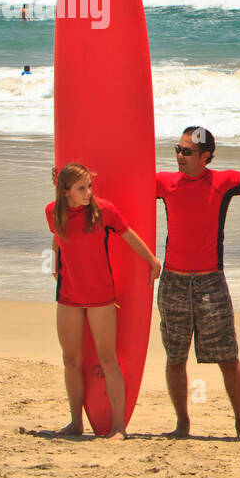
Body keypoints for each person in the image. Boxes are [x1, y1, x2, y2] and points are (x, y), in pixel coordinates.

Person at [155, 121, 240, 442]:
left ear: (206, 156)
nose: (179, 156)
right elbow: (120, 183)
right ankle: (182, 423)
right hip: (173, 282)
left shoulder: (223, 182)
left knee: (227, 356)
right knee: (175, 357)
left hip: (210, 283)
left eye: (187, 152)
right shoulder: (164, 183)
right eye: (177, 150)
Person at [47, 162, 161, 440]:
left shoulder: (103, 210)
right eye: (81, 188)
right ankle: (76, 422)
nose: (88, 193)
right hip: (68, 297)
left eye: (89, 186)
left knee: (109, 360)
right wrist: (53, 265)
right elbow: (56, 239)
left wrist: (152, 261)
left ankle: (119, 426)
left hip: (101, 298)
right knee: (70, 359)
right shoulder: (52, 212)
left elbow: (129, 234)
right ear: (66, 192)